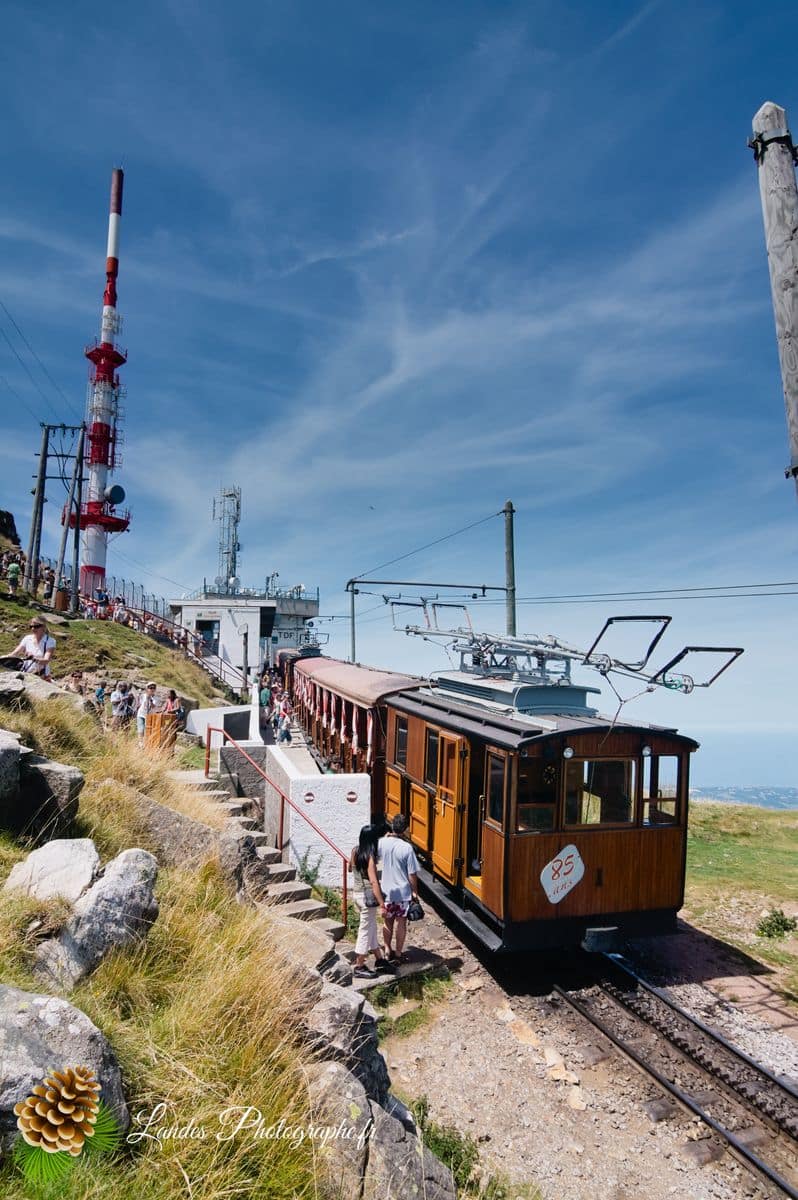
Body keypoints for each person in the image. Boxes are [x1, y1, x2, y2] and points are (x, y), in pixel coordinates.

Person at [349, 825, 394, 979]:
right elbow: (374, 882)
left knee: (371, 928)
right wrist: (382, 904)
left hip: (356, 894)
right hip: (368, 898)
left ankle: (380, 959)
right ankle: (359, 966)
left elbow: (350, 868)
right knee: (365, 931)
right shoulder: (370, 857)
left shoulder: (355, 851)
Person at [378, 814, 420, 965]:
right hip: (403, 893)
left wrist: (385, 837)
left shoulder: (382, 843)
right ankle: (398, 953)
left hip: (387, 892)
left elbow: (376, 856)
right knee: (401, 923)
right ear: (405, 829)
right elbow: (412, 874)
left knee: (387, 922)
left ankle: (387, 949)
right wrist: (415, 892)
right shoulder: (407, 848)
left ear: (392, 826)